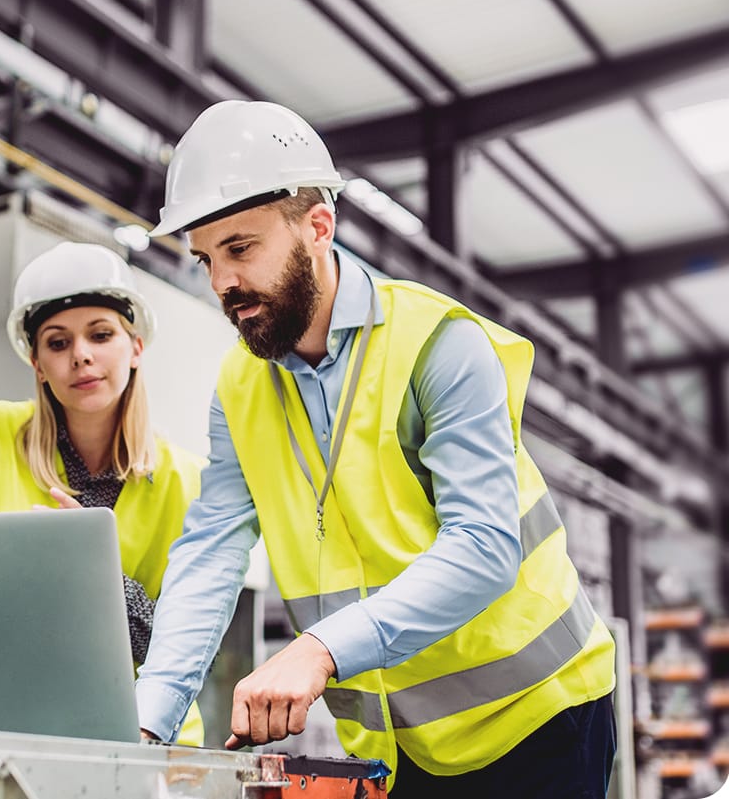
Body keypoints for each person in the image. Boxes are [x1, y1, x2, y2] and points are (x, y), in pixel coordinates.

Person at [134, 100, 617, 797]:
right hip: (407, 743)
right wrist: (149, 723)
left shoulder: (438, 346)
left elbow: (483, 544)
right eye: (207, 257)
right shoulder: (240, 388)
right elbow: (211, 551)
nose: (222, 283)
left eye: (241, 248)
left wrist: (322, 648)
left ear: (318, 227)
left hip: (541, 714)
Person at [0, 240, 205, 746]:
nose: (81, 355)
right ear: (37, 363)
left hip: (144, 739)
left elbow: (176, 643)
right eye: (57, 343)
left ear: (135, 346)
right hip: (7, 725)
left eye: (101, 335)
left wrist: (88, 566)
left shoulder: (188, 481)